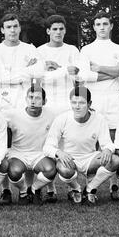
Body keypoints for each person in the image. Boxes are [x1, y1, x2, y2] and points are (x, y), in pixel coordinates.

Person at [0, 13, 43, 205]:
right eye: (8, 27)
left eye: (15, 26)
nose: (12, 30)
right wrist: (24, 72)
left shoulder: (30, 49)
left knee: (25, 144)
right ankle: (5, 190)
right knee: (4, 147)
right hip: (3, 101)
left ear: (20, 28)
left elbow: (38, 74)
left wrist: (17, 75)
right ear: (2, 30)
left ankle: (28, 188)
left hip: (24, 99)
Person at [36, 14, 85, 202]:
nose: (58, 32)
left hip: (67, 103)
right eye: (54, 29)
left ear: (65, 30)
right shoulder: (39, 51)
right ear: (48, 31)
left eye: (61, 29)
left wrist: (54, 70)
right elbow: (38, 78)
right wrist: (63, 70)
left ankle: (74, 187)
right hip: (47, 104)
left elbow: (77, 75)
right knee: (47, 146)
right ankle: (50, 188)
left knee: (65, 146)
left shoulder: (73, 50)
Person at [79, 11, 119, 200]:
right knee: (94, 142)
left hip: (115, 96)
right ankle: (89, 187)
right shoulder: (86, 50)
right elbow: (84, 76)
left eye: (105, 24)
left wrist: (99, 68)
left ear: (111, 26)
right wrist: (113, 72)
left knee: (114, 142)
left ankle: (113, 187)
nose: (102, 27)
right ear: (93, 27)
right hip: (96, 97)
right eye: (98, 24)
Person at [43, 86, 119, 206]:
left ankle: (90, 189)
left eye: (82, 103)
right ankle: (76, 189)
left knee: (114, 160)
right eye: (74, 102)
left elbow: (107, 143)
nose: (77, 106)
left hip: (90, 159)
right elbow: (48, 147)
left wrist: (108, 150)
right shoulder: (62, 119)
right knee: (65, 170)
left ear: (89, 104)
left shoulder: (99, 119)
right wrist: (59, 153)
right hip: (69, 159)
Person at [3, 85, 57, 205]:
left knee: (50, 169)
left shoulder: (52, 115)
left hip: (40, 154)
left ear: (44, 101)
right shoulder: (13, 115)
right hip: (19, 154)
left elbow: (70, 115)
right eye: (30, 97)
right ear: (26, 99)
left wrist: (89, 111)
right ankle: (23, 191)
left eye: (37, 98)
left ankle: (34, 189)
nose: (33, 101)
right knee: (14, 171)